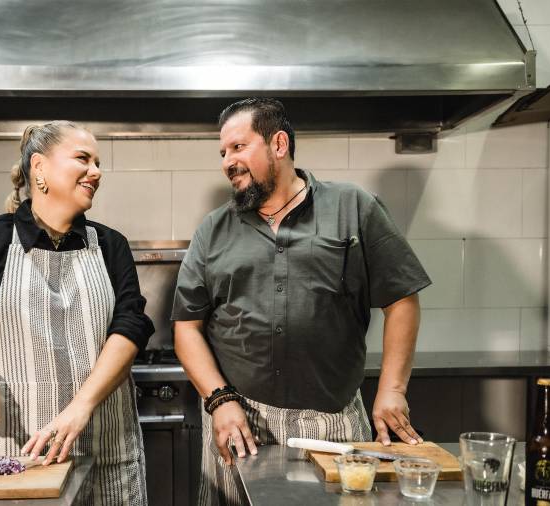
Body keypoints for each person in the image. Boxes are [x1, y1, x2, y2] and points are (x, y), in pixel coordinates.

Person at [171, 98, 432, 505]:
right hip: (242, 421)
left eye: (238, 147)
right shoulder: (214, 228)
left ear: (278, 144)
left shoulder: (353, 207)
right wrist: (219, 400)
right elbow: (186, 326)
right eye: (222, 152)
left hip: (333, 423)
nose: (227, 161)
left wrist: (392, 389)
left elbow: (401, 298)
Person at [0, 121, 153, 506]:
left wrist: (81, 407)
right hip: (18, 457)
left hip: (106, 454)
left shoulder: (111, 245)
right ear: (39, 168)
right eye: (83, 158)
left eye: (98, 162)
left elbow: (131, 328)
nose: (96, 171)